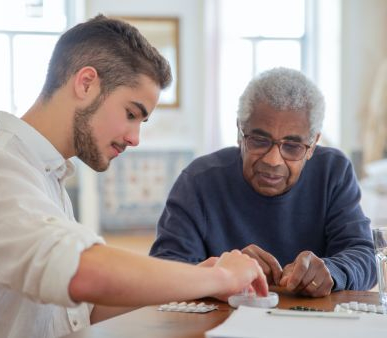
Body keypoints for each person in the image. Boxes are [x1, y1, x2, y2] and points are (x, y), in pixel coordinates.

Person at [0, 15, 268, 338]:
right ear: (86, 83)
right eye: (131, 114)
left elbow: (82, 308)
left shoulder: (47, 175)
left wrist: (193, 277)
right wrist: (220, 279)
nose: (135, 138)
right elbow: (82, 272)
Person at [150, 67, 377, 298]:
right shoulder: (199, 181)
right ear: (240, 132)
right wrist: (224, 272)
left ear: (313, 144)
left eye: (292, 146)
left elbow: (366, 257)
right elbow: (165, 272)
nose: (273, 160)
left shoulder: (333, 172)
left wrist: (332, 270)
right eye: (259, 140)